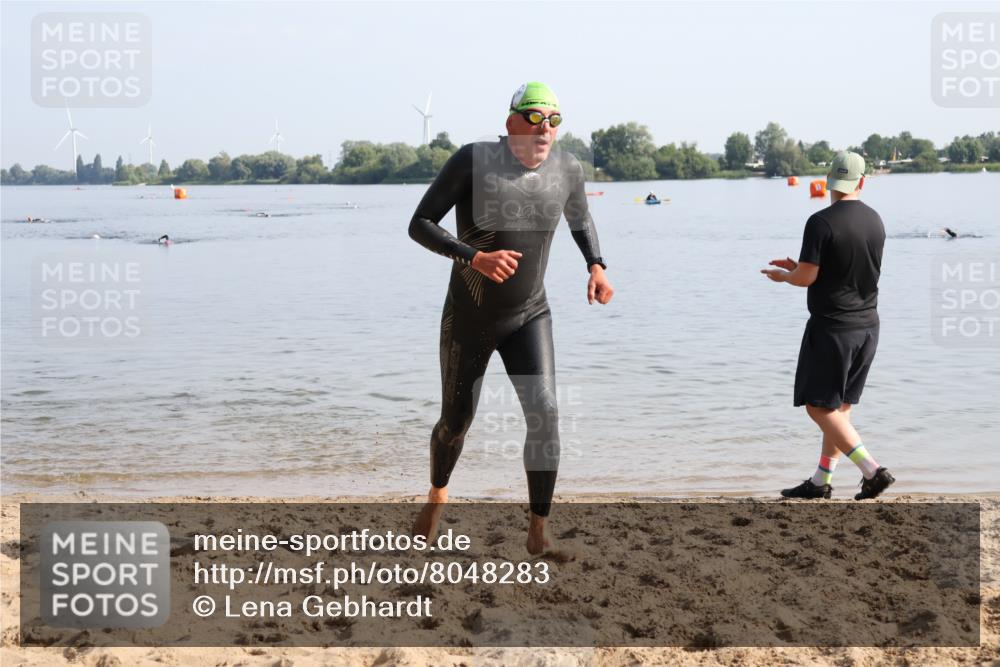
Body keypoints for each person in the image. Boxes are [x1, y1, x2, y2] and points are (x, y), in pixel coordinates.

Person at [408, 82, 614, 553]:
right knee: (456, 421)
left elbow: (580, 219)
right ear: (511, 122)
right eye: (536, 117)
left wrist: (596, 266)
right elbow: (419, 224)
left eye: (555, 120)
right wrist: (471, 257)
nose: (546, 129)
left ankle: (539, 527)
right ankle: (438, 492)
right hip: (470, 315)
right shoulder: (473, 160)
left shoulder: (567, 167)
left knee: (545, 414)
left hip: (529, 313)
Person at [761, 151, 895, 501]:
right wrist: (802, 264)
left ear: (830, 182)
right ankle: (821, 482)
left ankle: (872, 471)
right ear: (862, 181)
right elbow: (843, 268)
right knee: (840, 408)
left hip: (833, 328)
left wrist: (785, 275)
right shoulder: (876, 221)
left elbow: (806, 279)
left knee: (818, 407)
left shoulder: (819, 222)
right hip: (868, 325)